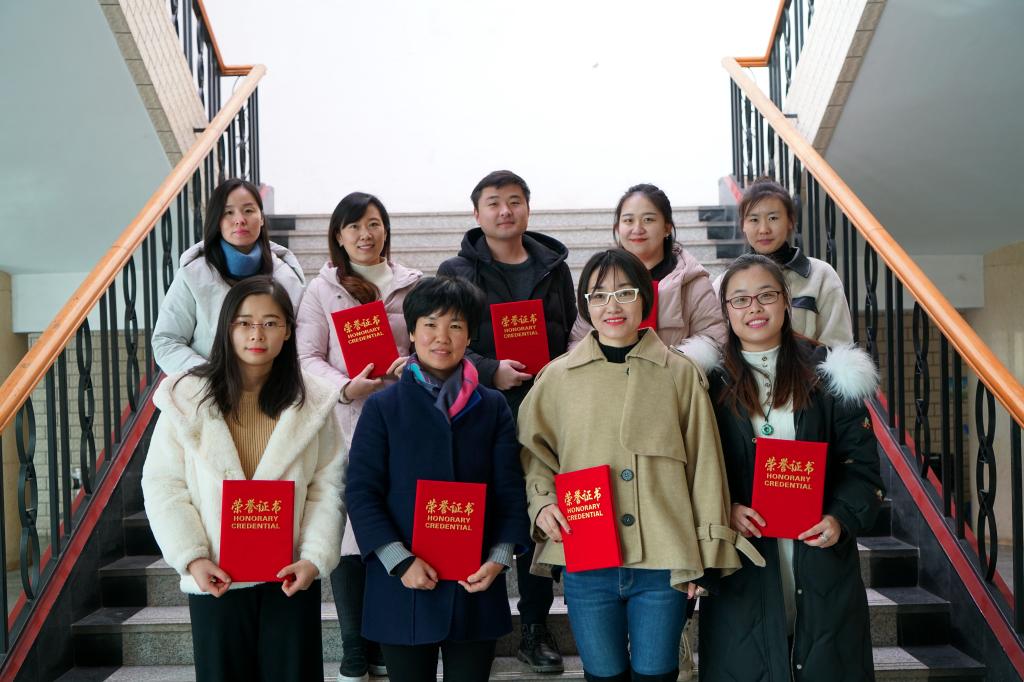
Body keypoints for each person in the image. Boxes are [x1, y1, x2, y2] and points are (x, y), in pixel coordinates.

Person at [518, 249, 761, 682]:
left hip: (665, 559)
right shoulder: (557, 377)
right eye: (598, 295)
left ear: (645, 299)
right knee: (602, 674)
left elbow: (705, 467)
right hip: (588, 555)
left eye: (625, 293)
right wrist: (542, 502)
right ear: (585, 305)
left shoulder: (680, 374)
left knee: (657, 673)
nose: (611, 306)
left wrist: (705, 555)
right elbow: (534, 453)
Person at [141, 276, 344, 682]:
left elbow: (328, 486)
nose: (257, 334)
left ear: (288, 331)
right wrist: (192, 557)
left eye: (270, 323)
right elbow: (164, 484)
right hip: (217, 575)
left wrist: (314, 557)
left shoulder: (314, 400)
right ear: (227, 328)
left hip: (289, 575)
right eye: (244, 322)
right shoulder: (186, 396)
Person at [699, 254, 884, 681]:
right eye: (740, 299)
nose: (754, 308)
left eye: (766, 295)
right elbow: (693, 469)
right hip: (743, 554)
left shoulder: (830, 374)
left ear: (785, 300)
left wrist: (839, 518)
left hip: (819, 554)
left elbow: (862, 468)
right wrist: (722, 510)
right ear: (725, 310)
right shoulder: (706, 381)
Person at [345, 276, 531, 682]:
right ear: (412, 332)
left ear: (470, 336)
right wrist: (400, 561)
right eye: (430, 324)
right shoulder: (382, 407)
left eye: (456, 326)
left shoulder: (493, 406)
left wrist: (499, 558)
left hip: (474, 583)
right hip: (403, 587)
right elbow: (361, 492)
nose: (442, 337)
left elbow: (509, 489)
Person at [436, 169, 575, 672]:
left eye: (514, 201)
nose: (504, 211)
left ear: (527, 208)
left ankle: (534, 626)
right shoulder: (457, 270)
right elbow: (441, 342)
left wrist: (559, 374)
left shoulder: (554, 267)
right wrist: (491, 369)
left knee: (542, 511)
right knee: (493, 509)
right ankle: (468, 620)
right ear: (477, 213)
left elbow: (572, 333)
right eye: (493, 202)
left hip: (549, 409)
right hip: (483, 409)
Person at [296, 191, 421, 681]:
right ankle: (353, 647)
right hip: (344, 421)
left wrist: (412, 366)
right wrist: (346, 388)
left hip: (401, 421)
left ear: (385, 228)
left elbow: (434, 344)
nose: (365, 235)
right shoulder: (321, 289)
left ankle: (385, 638)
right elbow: (306, 357)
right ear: (339, 236)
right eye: (354, 226)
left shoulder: (413, 284)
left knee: (393, 524)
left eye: (373, 223)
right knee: (348, 532)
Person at [153, 177, 305, 374]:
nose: (240, 220)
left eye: (248, 210)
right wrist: (210, 377)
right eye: (228, 212)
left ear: (261, 218)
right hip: (209, 388)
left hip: (273, 388)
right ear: (217, 221)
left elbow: (302, 343)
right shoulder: (193, 274)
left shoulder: (287, 276)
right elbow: (166, 340)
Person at [569, 183, 726, 373]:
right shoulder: (599, 278)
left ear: (667, 227)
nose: (637, 228)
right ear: (617, 228)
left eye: (648, 219)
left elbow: (714, 338)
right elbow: (578, 341)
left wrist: (669, 367)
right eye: (628, 220)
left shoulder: (692, 281)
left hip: (674, 384)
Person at [714, 178, 853, 348]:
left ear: (790, 221)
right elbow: (717, 345)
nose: (764, 229)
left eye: (773, 218)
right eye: (754, 220)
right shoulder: (724, 283)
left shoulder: (821, 276)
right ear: (743, 225)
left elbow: (839, 345)